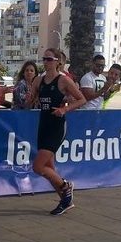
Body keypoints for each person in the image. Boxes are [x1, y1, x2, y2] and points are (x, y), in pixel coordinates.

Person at [30, 48, 86, 216]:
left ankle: (65, 186)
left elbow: (82, 99)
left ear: (57, 62)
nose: (45, 62)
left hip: (56, 126)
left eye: (49, 59)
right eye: (44, 59)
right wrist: (29, 98)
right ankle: (66, 201)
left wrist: (65, 109)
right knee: (49, 167)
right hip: (43, 124)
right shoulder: (38, 80)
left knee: (38, 166)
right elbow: (31, 100)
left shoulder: (63, 81)